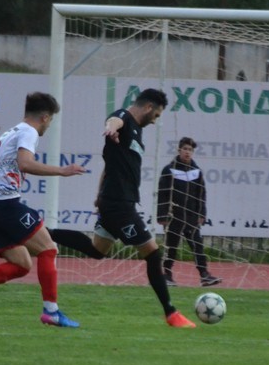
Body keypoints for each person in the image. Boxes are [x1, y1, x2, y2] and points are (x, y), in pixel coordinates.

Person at [48, 88, 197, 328]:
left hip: (113, 201)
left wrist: (98, 195)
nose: (155, 120)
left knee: (98, 249)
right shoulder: (123, 118)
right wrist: (111, 127)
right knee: (152, 252)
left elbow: (109, 166)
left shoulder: (137, 131)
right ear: (148, 107)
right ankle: (171, 313)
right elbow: (114, 120)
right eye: (156, 115)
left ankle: (42, 232)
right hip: (119, 205)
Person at [0, 92, 87, 327]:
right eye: (51, 120)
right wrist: (62, 171)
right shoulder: (29, 132)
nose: (49, 125)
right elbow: (25, 163)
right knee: (48, 249)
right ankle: (51, 312)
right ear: (45, 118)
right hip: (3, 204)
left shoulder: (12, 131)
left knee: (22, 264)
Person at [156, 136, 221, 287]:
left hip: (191, 216)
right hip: (174, 216)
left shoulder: (196, 172)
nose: (187, 152)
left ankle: (204, 275)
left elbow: (201, 194)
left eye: (190, 150)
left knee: (197, 245)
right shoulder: (169, 170)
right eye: (185, 149)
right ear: (179, 150)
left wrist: (201, 213)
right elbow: (163, 194)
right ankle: (167, 275)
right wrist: (162, 215)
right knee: (171, 246)